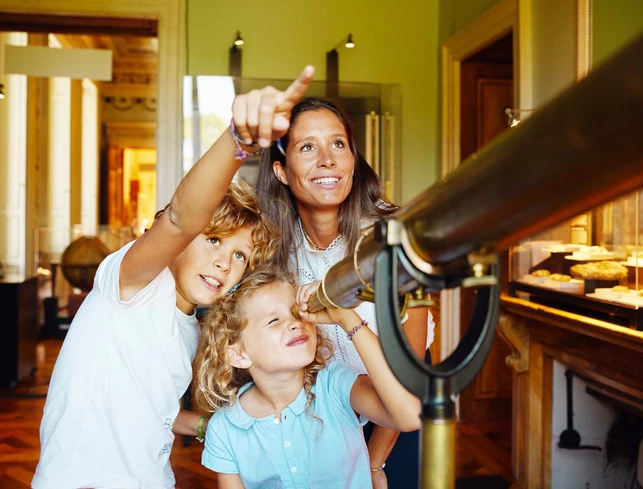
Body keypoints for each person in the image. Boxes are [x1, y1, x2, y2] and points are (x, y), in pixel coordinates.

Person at [32, 66, 315, 489]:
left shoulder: (189, 326)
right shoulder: (131, 285)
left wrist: (213, 426)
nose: (225, 263)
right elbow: (182, 219)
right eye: (214, 240)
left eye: (240, 255)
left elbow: (155, 411)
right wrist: (238, 141)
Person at [255, 97, 434, 488]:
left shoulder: (392, 238)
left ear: (353, 159)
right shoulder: (271, 248)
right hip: (320, 421)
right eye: (308, 147)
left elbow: (411, 370)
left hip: (396, 415)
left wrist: (373, 463)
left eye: (338, 144)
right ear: (281, 171)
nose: (327, 160)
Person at [194, 267, 421, 489]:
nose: (295, 323)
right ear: (239, 354)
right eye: (274, 321)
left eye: (296, 313)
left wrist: (346, 318)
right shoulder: (224, 429)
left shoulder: (335, 384)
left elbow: (410, 416)